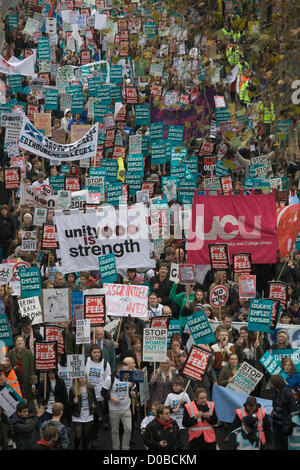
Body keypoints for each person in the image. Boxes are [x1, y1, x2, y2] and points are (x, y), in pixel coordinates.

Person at [69, 375, 102, 450]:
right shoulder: (73, 389)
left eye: (84, 377)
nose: (83, 379)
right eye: (81, 377)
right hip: (77, 416)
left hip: (88, 415)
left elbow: (94, 400)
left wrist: (97, 411)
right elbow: (70, 406)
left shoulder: (90, 388)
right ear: (77, 379)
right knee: (78, 435)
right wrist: (74, 402)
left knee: (86, 436)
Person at [108, 361, 135, 451]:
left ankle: (125, 447)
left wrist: (133, 393)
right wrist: (112, 398)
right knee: (115, 431)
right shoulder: (110, 379)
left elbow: (131, 389)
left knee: (128, 429)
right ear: (118, 370)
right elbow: (103, 393)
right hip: (114, 410)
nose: (127, 373)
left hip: (126, 408)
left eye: (128, 371)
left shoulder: (128, 378)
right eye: (125, 371)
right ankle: (116, 447)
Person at [85, 344, 111, 432]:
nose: (97, 354)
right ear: (90, 353)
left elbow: (108, 378)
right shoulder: (86, 361)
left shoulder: (105, 363)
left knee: (97, 419)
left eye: (98, 352)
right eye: (94, 352)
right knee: (89, 419)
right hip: (87, 394)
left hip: (99, 395)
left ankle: (95, 438)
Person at [269, 374, 298, 450]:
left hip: (285, 424)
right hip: (276, 422)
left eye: (271, 382)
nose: (270, 383)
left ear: (275, 384)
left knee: (284, 445)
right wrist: (273, 411)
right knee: (276, 445)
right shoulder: (274, 390)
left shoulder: (288, 393)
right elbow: (275, 403)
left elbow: (293, 410)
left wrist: (290, 423)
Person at [165, 376, 190, 450]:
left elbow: (190, 408)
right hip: (172, 423)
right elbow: (165, 408)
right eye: (174, 386)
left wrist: (184, 404)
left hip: (183, 424)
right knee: (173, 443)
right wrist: (172, 410)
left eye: (177, 386)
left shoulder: (185, 395)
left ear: (181, 386)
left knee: (184, 444)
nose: (175, 387)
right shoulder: (169, 396)